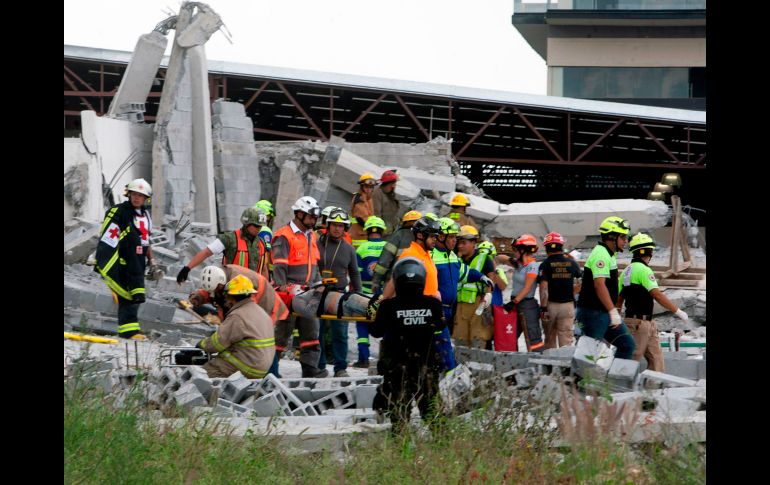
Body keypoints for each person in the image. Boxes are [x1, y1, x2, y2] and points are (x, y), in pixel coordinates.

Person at [369, 257, 445, 434]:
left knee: (399, 416)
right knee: (433, 412)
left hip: (398, 370)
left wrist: (373, 308)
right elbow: (441, 325)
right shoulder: (433, 303)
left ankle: (401, 451)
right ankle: (443, 447)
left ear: (397, 279)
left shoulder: (388, 306)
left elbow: (375, 331)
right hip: (425, 368)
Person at [271, 196, 328, 378]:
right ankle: (271, 370)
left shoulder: (312, 235)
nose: (314, 221)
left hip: (309, 292)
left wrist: (318, 284)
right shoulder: (284, 236)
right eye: (311, 217)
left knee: (311, 333)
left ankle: (310, 369)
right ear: (300, 214)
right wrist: (283, 289)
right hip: (288, 293)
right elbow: (279, 266)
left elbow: (314, 263)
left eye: (315, 217)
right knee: (281, 334)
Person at [617, 233, 690, 371]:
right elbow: (656, 294)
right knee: (631, 360)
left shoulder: (626, 271)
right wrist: (678, 311)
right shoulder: (644, 270)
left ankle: (654, 389)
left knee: (656, 359)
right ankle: (621, 388)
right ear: (647, 251)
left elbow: (619, 299)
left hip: (642, 323)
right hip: (638, 325)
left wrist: (616, 317)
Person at [95, 178, 156, 340]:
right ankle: (129, 331)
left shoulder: (146, 216)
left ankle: (130, 329)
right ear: (128, 194)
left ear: (145, 199)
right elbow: (109, 236)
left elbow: (146, 240)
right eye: (134, 194)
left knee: (135, 294)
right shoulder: (119, 211)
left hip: (138, 261)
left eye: (141, 196)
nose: (137, 198)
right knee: (126, 294)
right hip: (122, 260)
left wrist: (152, 261)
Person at [431, 218, 490, 370]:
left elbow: (464, 272)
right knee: (443, 349)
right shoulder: (430, 257)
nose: (454, 241)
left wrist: (480, 276)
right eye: (451, 237)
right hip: (436, 310)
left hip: (450, 309)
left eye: (455, 238)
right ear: (441, 237)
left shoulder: (451, 256)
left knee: (444, 348)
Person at [575, 216, 636, 359]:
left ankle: (615, 378)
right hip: (593, 313)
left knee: (627, 345)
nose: (626, 241)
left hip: (604, 312)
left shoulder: (609, 255)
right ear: (611, 237)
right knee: (590, 356)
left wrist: (612, 311)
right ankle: (586, 381)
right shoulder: (601, 254)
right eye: (623, 237)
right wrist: (612, 310)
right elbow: (599, 284)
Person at [196, 275, 275, 379]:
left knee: (202, 375)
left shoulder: (238, 316)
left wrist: (201, 344)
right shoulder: (261, 312)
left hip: (246, 367)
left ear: (231, 297)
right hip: (261, 368)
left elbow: (216, 344)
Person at [317, 208, 363, 377]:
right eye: (334, 225)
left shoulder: (349, 249)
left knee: (340, 333)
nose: (337, 228)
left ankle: (340, 368)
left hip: (339, 295)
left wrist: (358, 293)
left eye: (341, 226)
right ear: (328, 226)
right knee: (317, 332)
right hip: (318, 292)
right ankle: (319, 367)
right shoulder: (317, 244)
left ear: (345, 228)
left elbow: (355, 273)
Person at [177, 207, 270, 283]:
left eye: (261, 226)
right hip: (232, 289)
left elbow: (264, 268)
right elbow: (206, 252)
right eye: (256, 226)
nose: (259, 229)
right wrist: (187, 268)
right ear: (247, 223)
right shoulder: (230, 238)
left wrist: (266, 287)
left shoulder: (261, 243)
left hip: (253, 291)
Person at [192, 265, 288, 324]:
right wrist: (200, 296)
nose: (216, 292)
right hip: (257, 309)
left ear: (222, 282)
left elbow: (244, 312)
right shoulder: (221, 275)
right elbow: (214, 291)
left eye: (217, 289)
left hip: (269, 310)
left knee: (264, 346)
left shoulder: (239, 283)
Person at [454, 226, 499, 348]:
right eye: (459, 243)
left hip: (479, 304)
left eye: (464, 243)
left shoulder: (484, 259)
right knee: (460, 339)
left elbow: (491, 279)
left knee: (479, 338)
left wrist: (488, 295)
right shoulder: (457, 260)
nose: (460, 246)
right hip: (461, 306)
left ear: (474, 243)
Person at [499, 235, 545, 352]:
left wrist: (513, 302)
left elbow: (527, 288)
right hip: (517, 304)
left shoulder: (532, 266)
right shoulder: (519, 265)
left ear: (523, 250)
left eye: (515, 250)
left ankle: (537, 360)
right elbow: (501, 258)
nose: (514, 253)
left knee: (532, 337)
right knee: (512, 334)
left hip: (527, 305)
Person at [537, 232, 582, 349]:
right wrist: (573, 292)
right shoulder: (572, 263)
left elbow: (543, 288)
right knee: (566, 340)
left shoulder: (545, 265)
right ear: (561, 246)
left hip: (551, 305)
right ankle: (565, 366)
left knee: (550, 338)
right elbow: (581, 281)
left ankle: (550, 365)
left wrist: (543, 308)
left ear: (546, 248)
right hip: (568, 306)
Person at [354, 216, 388, 368]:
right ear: (382, 231)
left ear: (367, 231)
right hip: (385, 295)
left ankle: (364, 359)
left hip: (365, 295)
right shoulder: (388, 247)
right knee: (387, 325)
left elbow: (357, 273)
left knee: (362, 325)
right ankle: (386, 358)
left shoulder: (362, 248)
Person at [370, 210, 422, 295]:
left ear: (404, 223)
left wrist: (376, 281)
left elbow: (384, 261)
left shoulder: (397, 236)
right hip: (418, 284)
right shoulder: (424, 238)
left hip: (395, 285)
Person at [349, 173, 378, 248]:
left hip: (365, 236)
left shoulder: (369, 199)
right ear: (361, 186)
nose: (369, 189)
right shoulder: (360, 199)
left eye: (371, 187)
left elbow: (370, 216)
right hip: (358, 237)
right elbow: (362, 218)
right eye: (366, 187)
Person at [372, 169, 400, 238]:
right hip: (382, 234)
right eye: (394, 183)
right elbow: (376, 215)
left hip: (391, 232)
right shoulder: (377, 194)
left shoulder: (390, 194)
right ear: (389, 184)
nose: (395, 186)